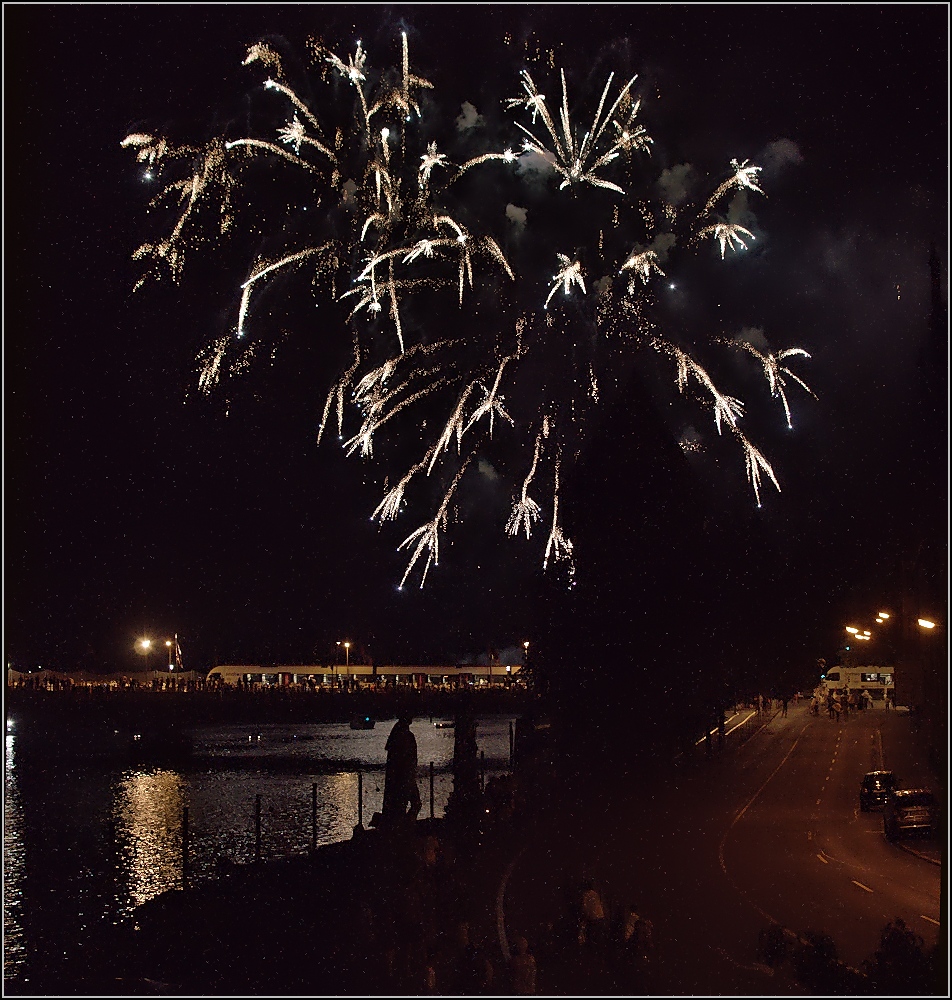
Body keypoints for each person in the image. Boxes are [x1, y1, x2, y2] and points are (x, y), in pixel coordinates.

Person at [381, 713, 421, 826]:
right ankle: (407, 825)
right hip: (405, 776)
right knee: (412, 803)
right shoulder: (406, 736)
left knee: (401, 805)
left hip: (401, 777)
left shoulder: (396, 735)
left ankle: (404, 825)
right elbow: (409, 758)